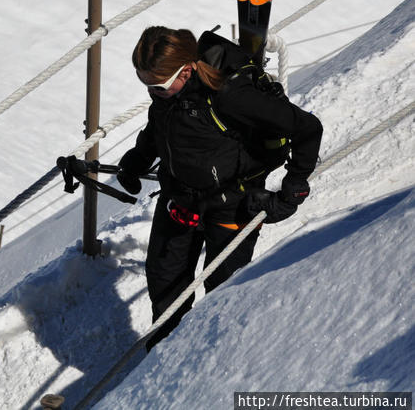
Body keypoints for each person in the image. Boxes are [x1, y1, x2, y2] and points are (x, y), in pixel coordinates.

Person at [115, 26, 322, 350]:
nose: (151, 92)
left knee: (223, 288)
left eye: (156, 86)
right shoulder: (167, 95)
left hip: (233, 203)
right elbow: (161, 123)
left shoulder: (232, 96)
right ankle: (164, 360)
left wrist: (293, 186)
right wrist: (138, 158)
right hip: (179, 198)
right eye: (145, 85)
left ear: (186, 71)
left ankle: (210, 362)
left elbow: (307, 128)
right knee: (165, 283)